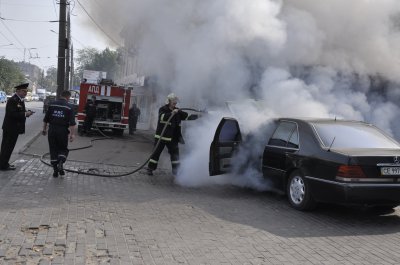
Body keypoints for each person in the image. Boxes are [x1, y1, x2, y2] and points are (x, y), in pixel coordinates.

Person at [146, 93, 199, 176]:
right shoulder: (162, 109)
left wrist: (199, 116)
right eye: (174, 101)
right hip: (161, 137)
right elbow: (162, 117)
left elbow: (188, 117)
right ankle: (150, 168)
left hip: (173, 138)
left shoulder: (178, 111)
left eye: (176, 101)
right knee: (156, 153)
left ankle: (176, 171)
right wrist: (171, 113)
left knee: (175, 156)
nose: (175, 102)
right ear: (169, 101)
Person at [42, 90, 76, 178]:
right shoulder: (70, 107)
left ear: (61, 95)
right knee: (63, 148)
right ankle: (61, 162)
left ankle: (55, 170)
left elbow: (46, 119)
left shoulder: (52, 104)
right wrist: (72, 135)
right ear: (68, 97)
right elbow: (72, 123)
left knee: (53, 149)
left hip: (52, 130)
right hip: (62, 131)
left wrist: (44, 129)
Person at [0, 83, 34, 170]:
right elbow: (11, 114)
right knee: (7, 147)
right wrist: (25, 113)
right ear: (18, 91)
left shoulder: (20, 100)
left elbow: (19, 111)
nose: (25, 93)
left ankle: (4, 163)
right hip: (11, 128)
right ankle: (3, 165)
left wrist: (27, 112)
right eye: (24, 91)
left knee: (9, 147)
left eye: (26, 91)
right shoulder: (13, 100)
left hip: (14, 128)